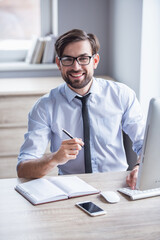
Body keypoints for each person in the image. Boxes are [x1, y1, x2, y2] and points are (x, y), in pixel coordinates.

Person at [17, 29, 145, 189]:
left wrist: (140, 168)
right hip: (70, 188)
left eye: (83, 58)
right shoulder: (44, 107)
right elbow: (23, 169)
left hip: (117, 184)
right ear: (59, 63)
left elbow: (144, 144)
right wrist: (54, 158)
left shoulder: (121, 95)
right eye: (68, 59)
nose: (76, 67)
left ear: (95, 60)